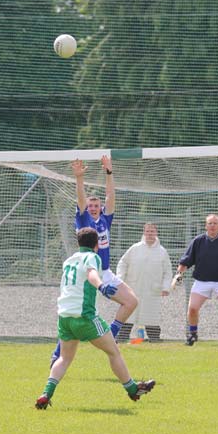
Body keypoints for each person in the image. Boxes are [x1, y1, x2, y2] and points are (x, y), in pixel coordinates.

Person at [35, 227, 155, 409]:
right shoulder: (92, 257)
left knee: (65, 358)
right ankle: (132, 389)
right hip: (85, 316)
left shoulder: (69, 260)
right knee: (113, 352)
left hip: (65, 316)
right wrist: (101, 286)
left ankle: (46, 393)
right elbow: (91, 273)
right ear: (97, 245)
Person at [50, 156, 138, 365]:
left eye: (97, 205)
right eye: (91, 205)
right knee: (76, 315)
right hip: (87, 272)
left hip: (104, 272)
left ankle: (112, 334)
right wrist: (79, 178)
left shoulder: (105, 219)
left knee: (132, 301)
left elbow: (110, 195)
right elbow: (80, 199)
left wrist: (109, 172)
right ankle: (57, 354)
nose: (94, 208)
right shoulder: (83, 219)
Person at [173, 213, 218, 347]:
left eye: (215, 223)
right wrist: (179, 274)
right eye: (209, 223)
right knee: (192, 308)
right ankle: (193, 335)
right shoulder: (198, 241)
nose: (212, 226)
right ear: (205, 225)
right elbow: (186, 260)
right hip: (202, 281)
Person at [116, 223, 173, 342]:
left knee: (151, 314)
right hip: (133, 287)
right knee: (129, 313)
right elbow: (123, 263)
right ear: (144, 233)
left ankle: (155, 339)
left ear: (156, 233)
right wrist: (120, 279)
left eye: (152, 231)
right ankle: (122, 337)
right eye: (147, 231)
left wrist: (166, 287)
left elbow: (168, 271)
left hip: (152, 290)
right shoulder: (135, 248)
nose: (149, 234)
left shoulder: (162, 252)